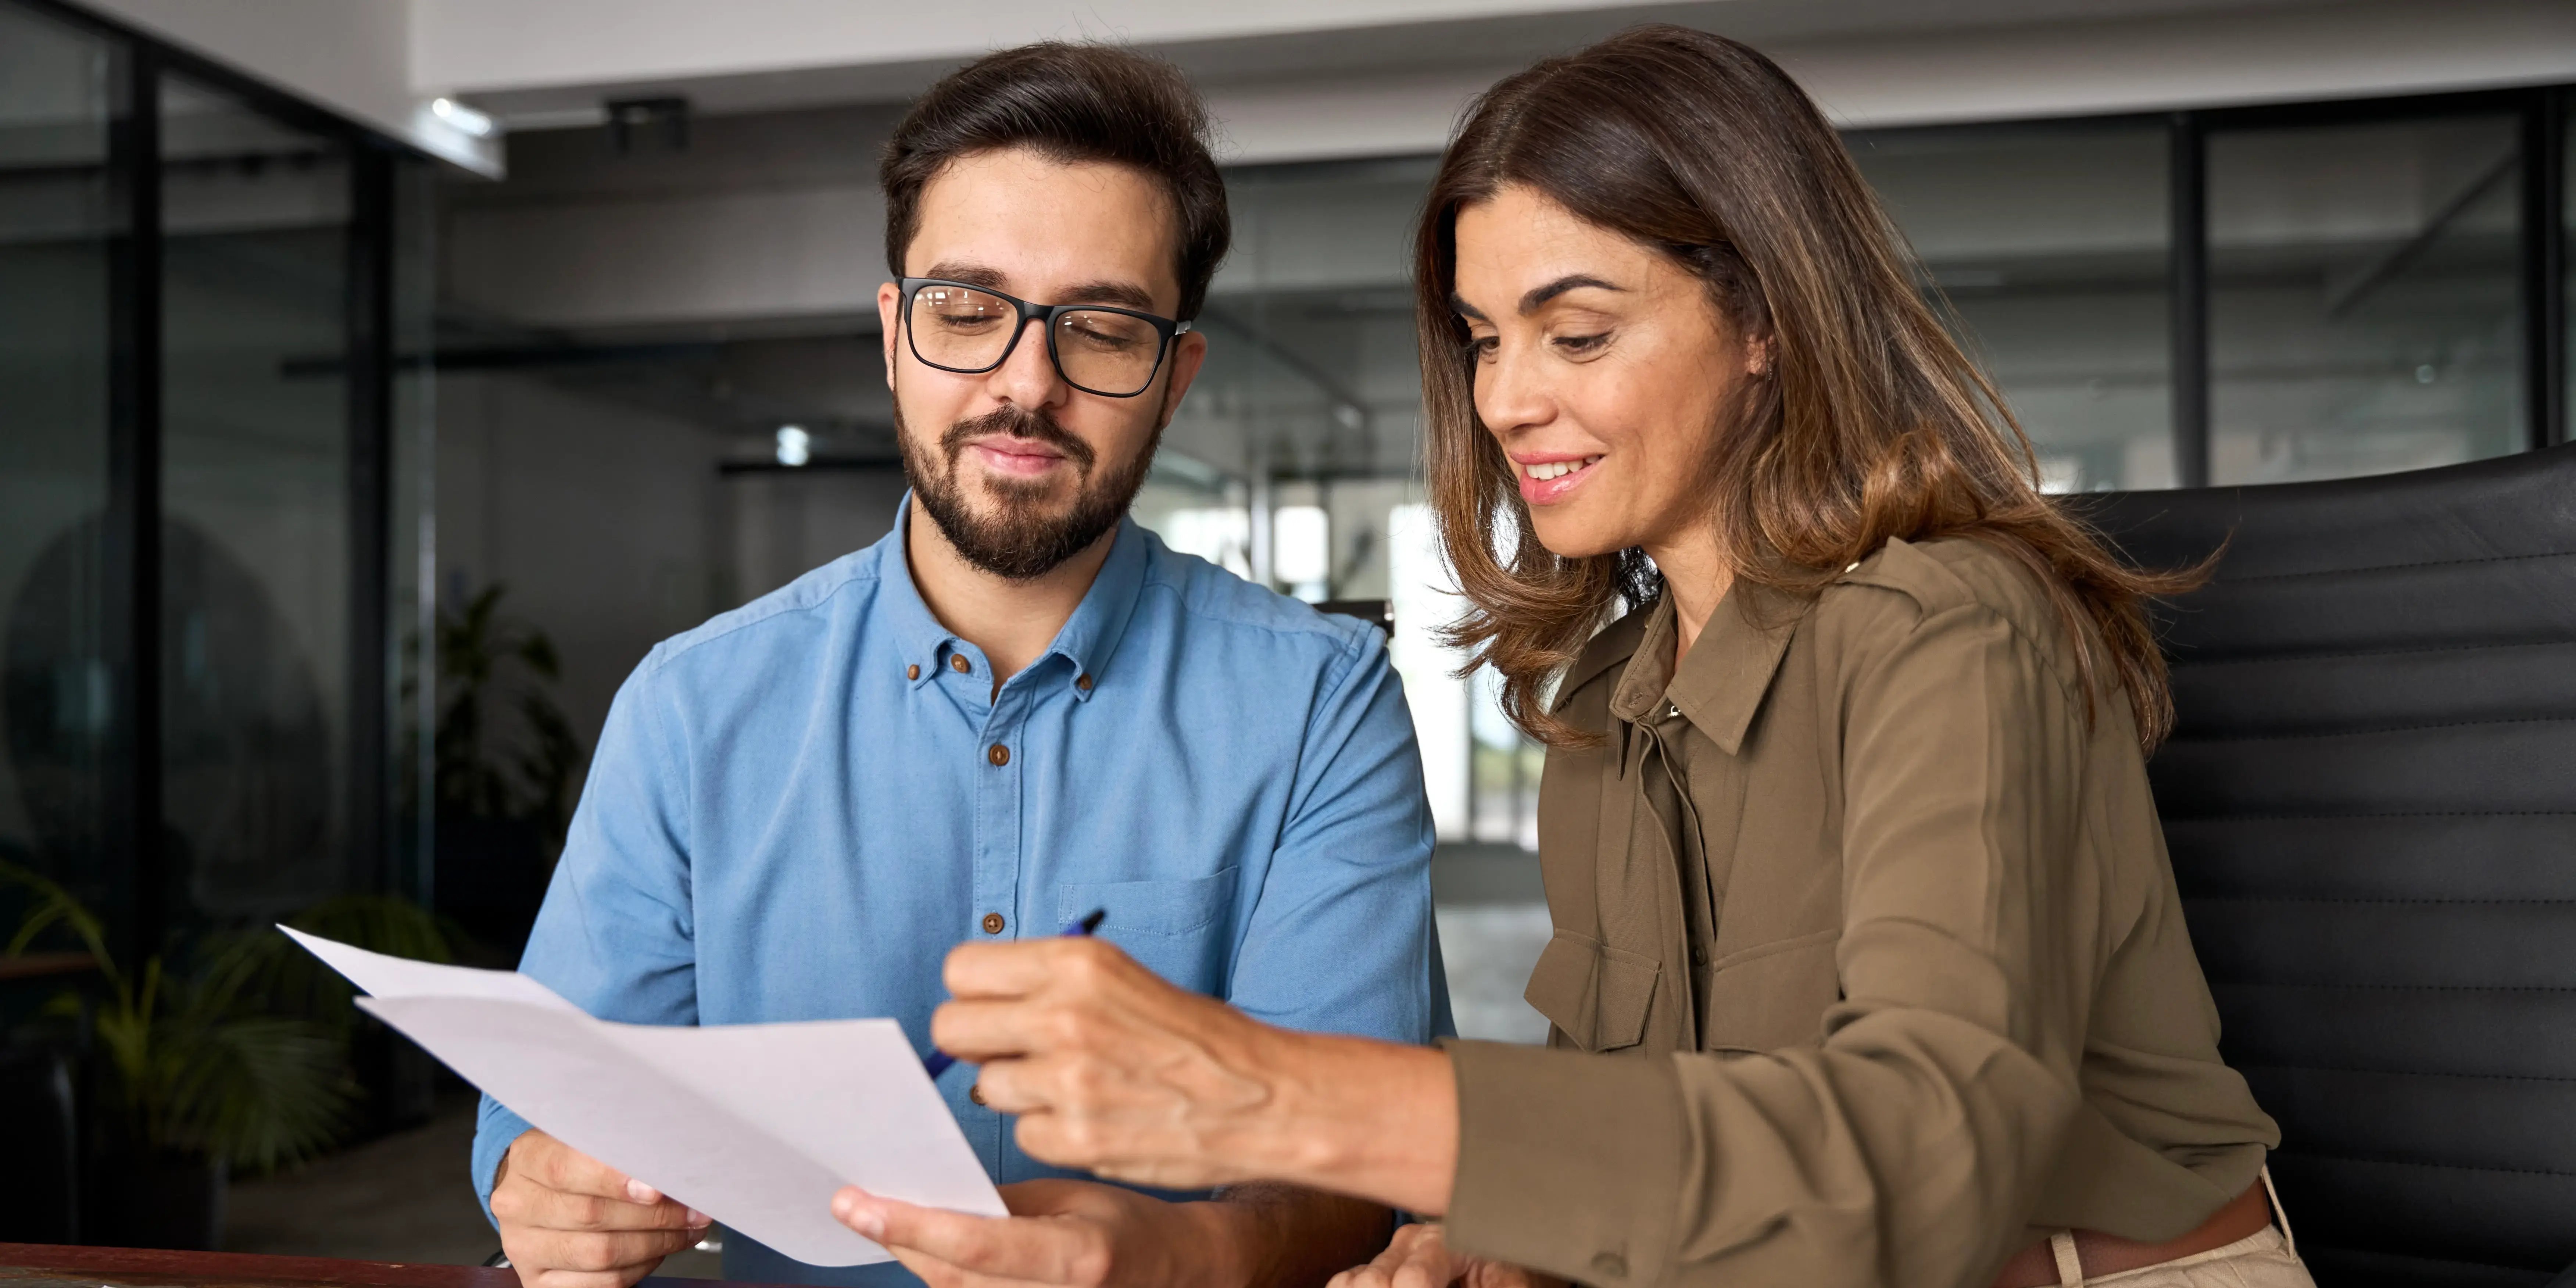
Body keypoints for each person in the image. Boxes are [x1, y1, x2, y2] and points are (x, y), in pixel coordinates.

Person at [869, 25, 2313, 1288]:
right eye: (1486, 339)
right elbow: (1648, 1113)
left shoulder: (1956, 627)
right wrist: (1511, 1235)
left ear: (1762, 316)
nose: (1506, 398)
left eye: (1577, 332)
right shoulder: (1610, 702)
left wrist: (1283, 1097)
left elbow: (1919, 1168)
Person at [471, 43, 1443, 1288]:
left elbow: (1354, 1174)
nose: (1023, 386)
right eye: (969, 312)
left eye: (1100, 329)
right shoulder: (691, 709)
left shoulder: (1322, 705)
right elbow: (555, 1105)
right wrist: (541, 1185)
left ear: (1175, 378)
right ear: (895, 334)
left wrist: (1180, 1250)